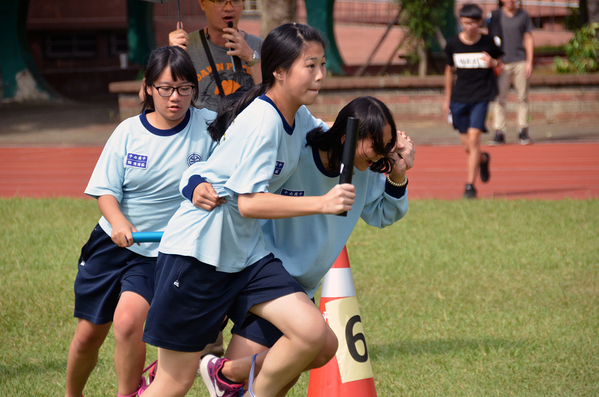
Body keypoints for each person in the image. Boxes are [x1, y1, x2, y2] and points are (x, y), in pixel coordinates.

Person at [141, 23, 354, 397]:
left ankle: (230, 379)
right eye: (311, 65)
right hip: (198, 254)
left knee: (317, 339)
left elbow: (331, 132)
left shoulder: (297, 115)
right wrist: (321, 204)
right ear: (279, 71)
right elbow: (248, 202)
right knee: (174, 382)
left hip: (246, 256)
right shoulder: (263, 122)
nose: (321, 75)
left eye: (322, 64)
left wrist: (388, 143)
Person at [197, 96, 415, 397]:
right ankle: (228, 378)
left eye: (387, 146)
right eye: (376, 146)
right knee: (310, 348)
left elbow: (382, 214)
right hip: (260, 271)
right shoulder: (299, 150)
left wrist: (398, 173)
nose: (381, 156)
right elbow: (239, 183)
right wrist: (196, 184)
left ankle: (225, 372)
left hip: (299, 286)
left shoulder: (366, 169)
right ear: (346, 137)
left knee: (311, 356)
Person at [65, 46, 218, 397]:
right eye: (165, 88)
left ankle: (128, 394)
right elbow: (105, 191)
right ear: (148, 88)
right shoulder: (128, 132)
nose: (175, 97)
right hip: (114, 242)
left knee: (128, 321)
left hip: (161, 249)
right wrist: (119, 222)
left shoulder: (208, 125)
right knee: (88, 335)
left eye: (184, 88)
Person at [443, 4, 503, 199]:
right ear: (460, 22)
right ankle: (484, 159)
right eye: (466, 23)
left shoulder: (488, 43)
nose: (469, 27)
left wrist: (493, 64)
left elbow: (502, 65)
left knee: (475, 139)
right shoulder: (453, 44)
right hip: (459, 99)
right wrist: (447, 100)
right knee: (468, 147)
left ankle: (470, 186)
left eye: (474, 23)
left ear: (480, 23)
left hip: (481, 97)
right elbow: (449, 72)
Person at [169, 0, 263, 111]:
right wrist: (171, 57)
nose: (229, 8)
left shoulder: (260, 46)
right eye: (220, 1)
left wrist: (252, 59)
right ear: (202, 3)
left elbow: (272, 101)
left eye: (236, 0)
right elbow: (149, 94)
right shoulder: (186, 46)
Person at [488, 0, 535, 145]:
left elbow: (528, 38)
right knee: (499, 99)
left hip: (520, 61)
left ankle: (523, 131)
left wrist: (529, 61)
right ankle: (499, 132)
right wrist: (493, 60)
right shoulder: (495, 16)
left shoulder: (523, 15)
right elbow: (489, 38)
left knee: (522, 97)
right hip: (501, 63)